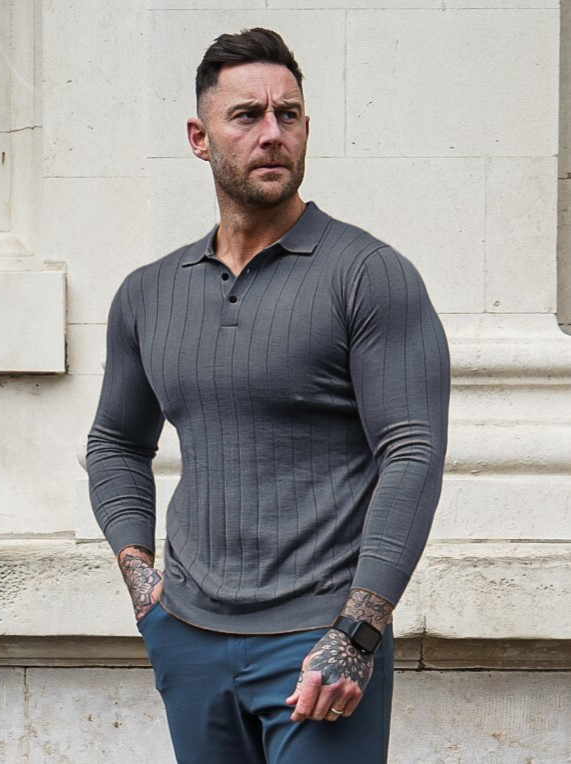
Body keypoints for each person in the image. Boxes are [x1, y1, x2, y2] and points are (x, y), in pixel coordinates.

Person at [87, 27, 450, 764]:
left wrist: (357, 632)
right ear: (200, 138)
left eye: (288, 115)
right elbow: (116, 443)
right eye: (246, 116)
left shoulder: (369, 274)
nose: (271, 133)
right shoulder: (148, 293)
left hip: (319, 643)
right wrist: (143, 584)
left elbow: (411, 452)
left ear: (306, 129)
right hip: (187, 636)